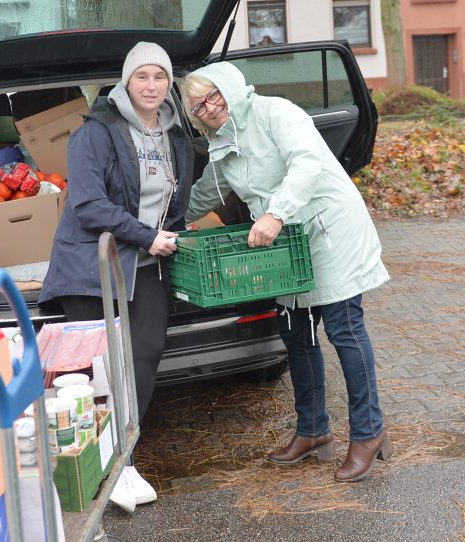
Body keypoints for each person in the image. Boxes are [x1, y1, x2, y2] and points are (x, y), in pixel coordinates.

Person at [180, 62, 392, 483]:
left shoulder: (276, 113)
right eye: (198, 107)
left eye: (213, 96)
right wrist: (164, 223)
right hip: (286, 245)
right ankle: (313, 430)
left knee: (344, 328)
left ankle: (369, 431)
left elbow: (307, 163)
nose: (209, 108)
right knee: (296, 333)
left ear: (231, 88)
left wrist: (276, 213)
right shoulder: (222, 142)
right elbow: (208, 189)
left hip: (328, 229)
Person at [39, 42, 194, 510]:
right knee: (93, 370)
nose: (151, 86)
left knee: (144, 357)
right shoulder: (97, 131)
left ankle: (122, 460)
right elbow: (87, 205)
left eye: (160, 77)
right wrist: (146, 235)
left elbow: (179, 199)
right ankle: (84, 464)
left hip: (147, 265)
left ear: (170, 84)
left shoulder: (177, 135)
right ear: (127, 81)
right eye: (142, 76)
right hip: (93, 265)